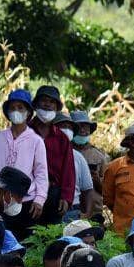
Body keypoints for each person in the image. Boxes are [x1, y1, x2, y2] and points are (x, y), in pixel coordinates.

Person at [0, 89, 48, 236]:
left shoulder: (36, 141)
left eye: (20, 108)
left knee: (25, 241)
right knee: (3, 239)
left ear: (28, 112)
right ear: (7, 112)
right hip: (1, 200)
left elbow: (41, 173)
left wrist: (40, 199)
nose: (16, 111)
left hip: (26, 200)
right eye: (12, 108)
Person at [29, 85, 75, 225]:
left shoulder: (62, 138)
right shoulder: (25, 132)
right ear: (36, 104)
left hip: (53, 194)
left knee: (51, 233)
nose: (47, 104)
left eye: (52, 102)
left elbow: (68, 170)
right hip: (28, 192)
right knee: (27, 232)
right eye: (44, 100)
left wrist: (66, 197)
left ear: (56, 107)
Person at [69, 111, 109, 218]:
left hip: (94, 211)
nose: (82, 130)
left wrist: (97, 180)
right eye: (79, 127)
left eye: (86, 127)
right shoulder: (64, 152)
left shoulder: (99, 156)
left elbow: (107, 190)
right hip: (70, 209)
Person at [55, 113, 95, 220]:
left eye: (70, 127)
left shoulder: (78, 157)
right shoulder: (42, 152)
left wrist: (87, 214)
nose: (67, 130)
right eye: (63, 126)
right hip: (48, 208)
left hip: (72, 209)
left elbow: (88, 189)